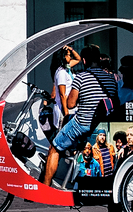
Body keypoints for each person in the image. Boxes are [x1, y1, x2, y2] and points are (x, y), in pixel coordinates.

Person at [43, 45, 114, 189]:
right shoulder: (110, 78)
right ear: (99, 59)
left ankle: (45, 188)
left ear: (84, 60)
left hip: (82, 124)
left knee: (54, 147)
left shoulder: (81, 77)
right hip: (101, 124)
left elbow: (70, 104)